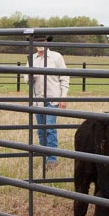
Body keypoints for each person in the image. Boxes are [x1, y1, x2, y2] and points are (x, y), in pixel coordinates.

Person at [24, 35, 69, 167]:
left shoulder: (56, 57)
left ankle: (52, 159)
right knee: (40, 129)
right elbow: (26, 78)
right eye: (36, 42)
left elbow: (64, 77)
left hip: (53, 98)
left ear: (46, 42)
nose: (39, 44)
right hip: (38, 99)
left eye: (41, 41)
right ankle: (45, 154)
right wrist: (31, 77)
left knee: (50, 127)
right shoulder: (31, 59)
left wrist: (63, 97)